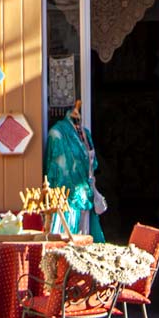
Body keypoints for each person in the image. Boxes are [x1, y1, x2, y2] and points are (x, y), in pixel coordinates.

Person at [44, 97, 105, 241]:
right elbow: (52, 170)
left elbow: (92, 165)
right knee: (68, 243)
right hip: (66, 202)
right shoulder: (57, 134)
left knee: (86, 243)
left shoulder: (86, 134)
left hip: (86, 198)